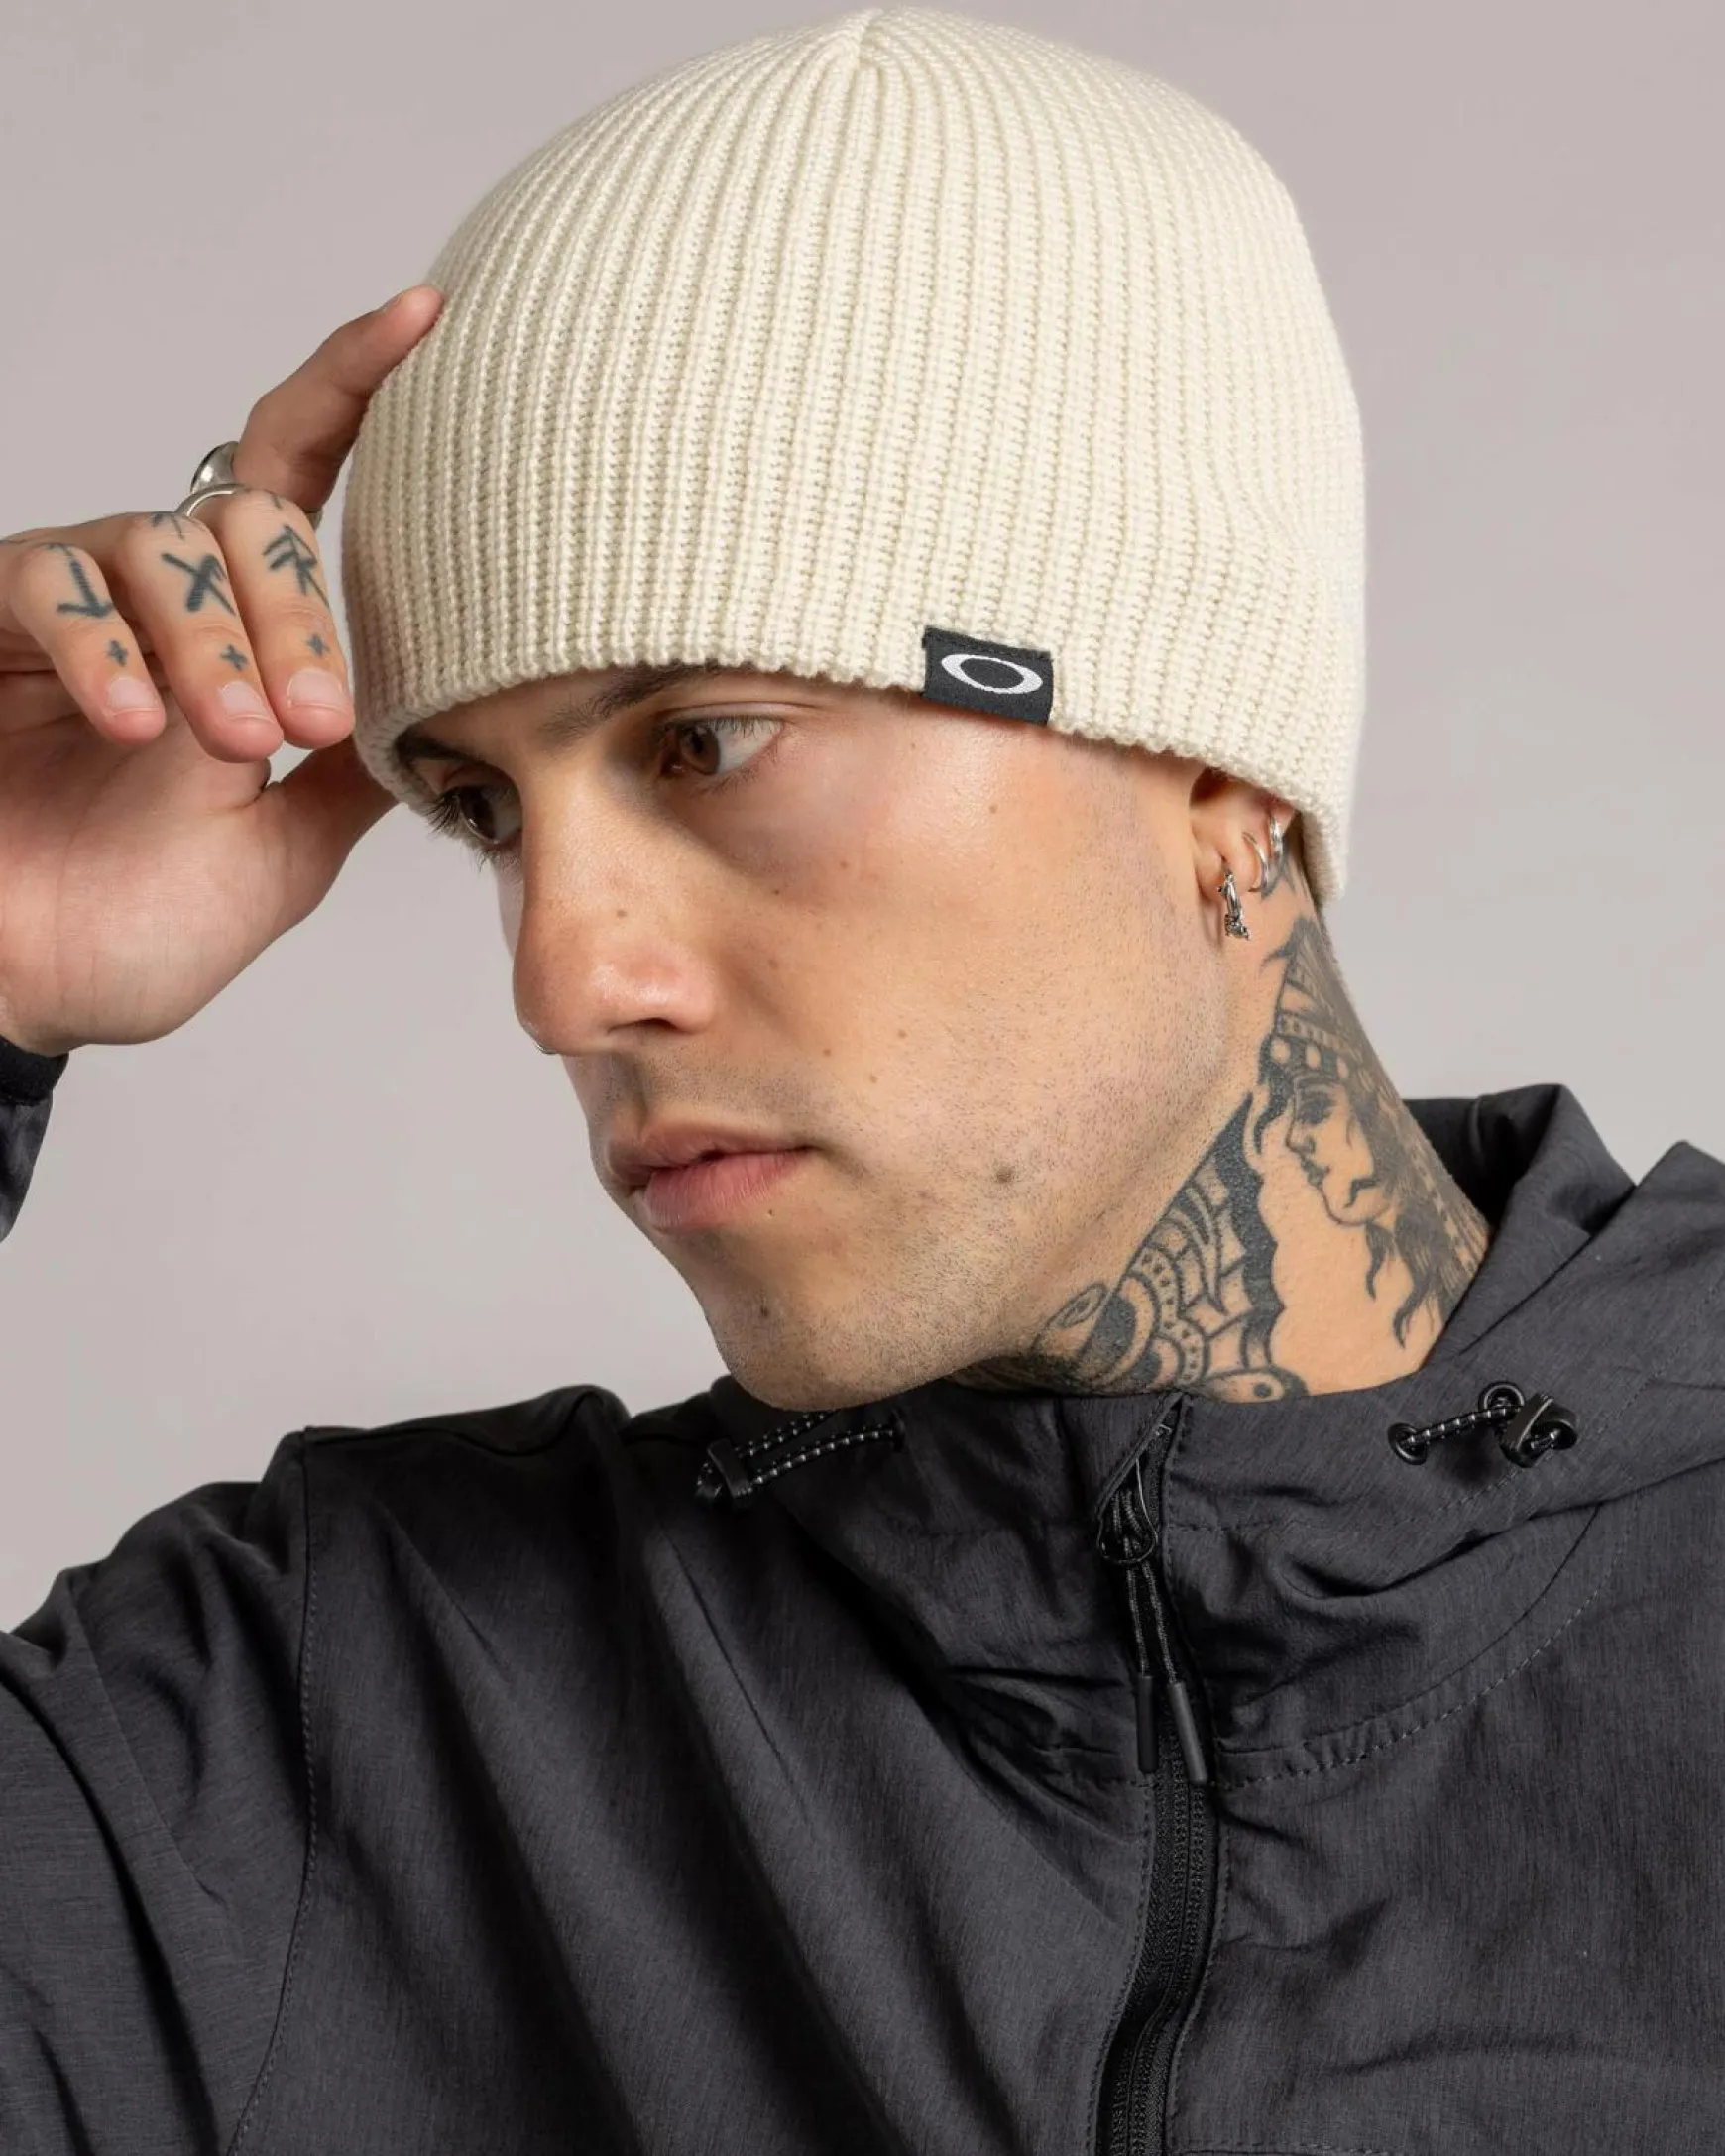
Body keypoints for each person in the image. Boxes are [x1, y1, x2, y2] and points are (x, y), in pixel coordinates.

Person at [2, 9, 1721, 2151]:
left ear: (1216, 771)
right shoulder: (312, 1724)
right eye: (486, 812)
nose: (561, 978)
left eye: (708, 739)